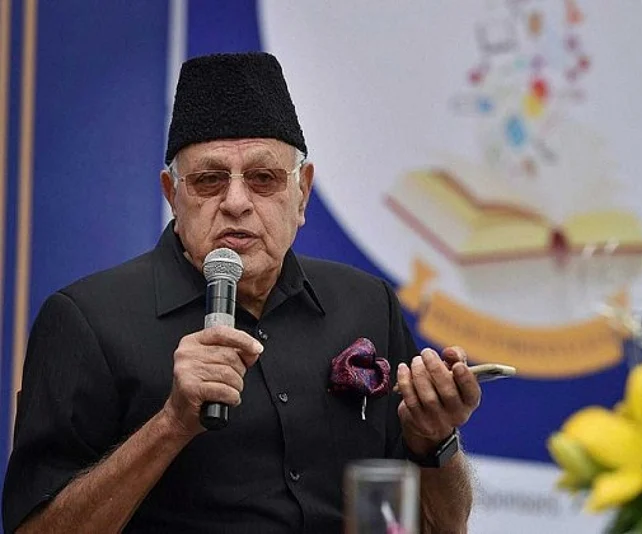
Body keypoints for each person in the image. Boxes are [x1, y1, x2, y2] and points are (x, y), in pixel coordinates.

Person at [2, 52, 482, 533]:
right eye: (209, 181)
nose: (235, 203)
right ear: (172, 195)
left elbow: (443, 526)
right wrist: (171, 424)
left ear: (302, 193)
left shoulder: (367, 304)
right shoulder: (88, 320)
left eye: (263, 179)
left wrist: (435, 439)